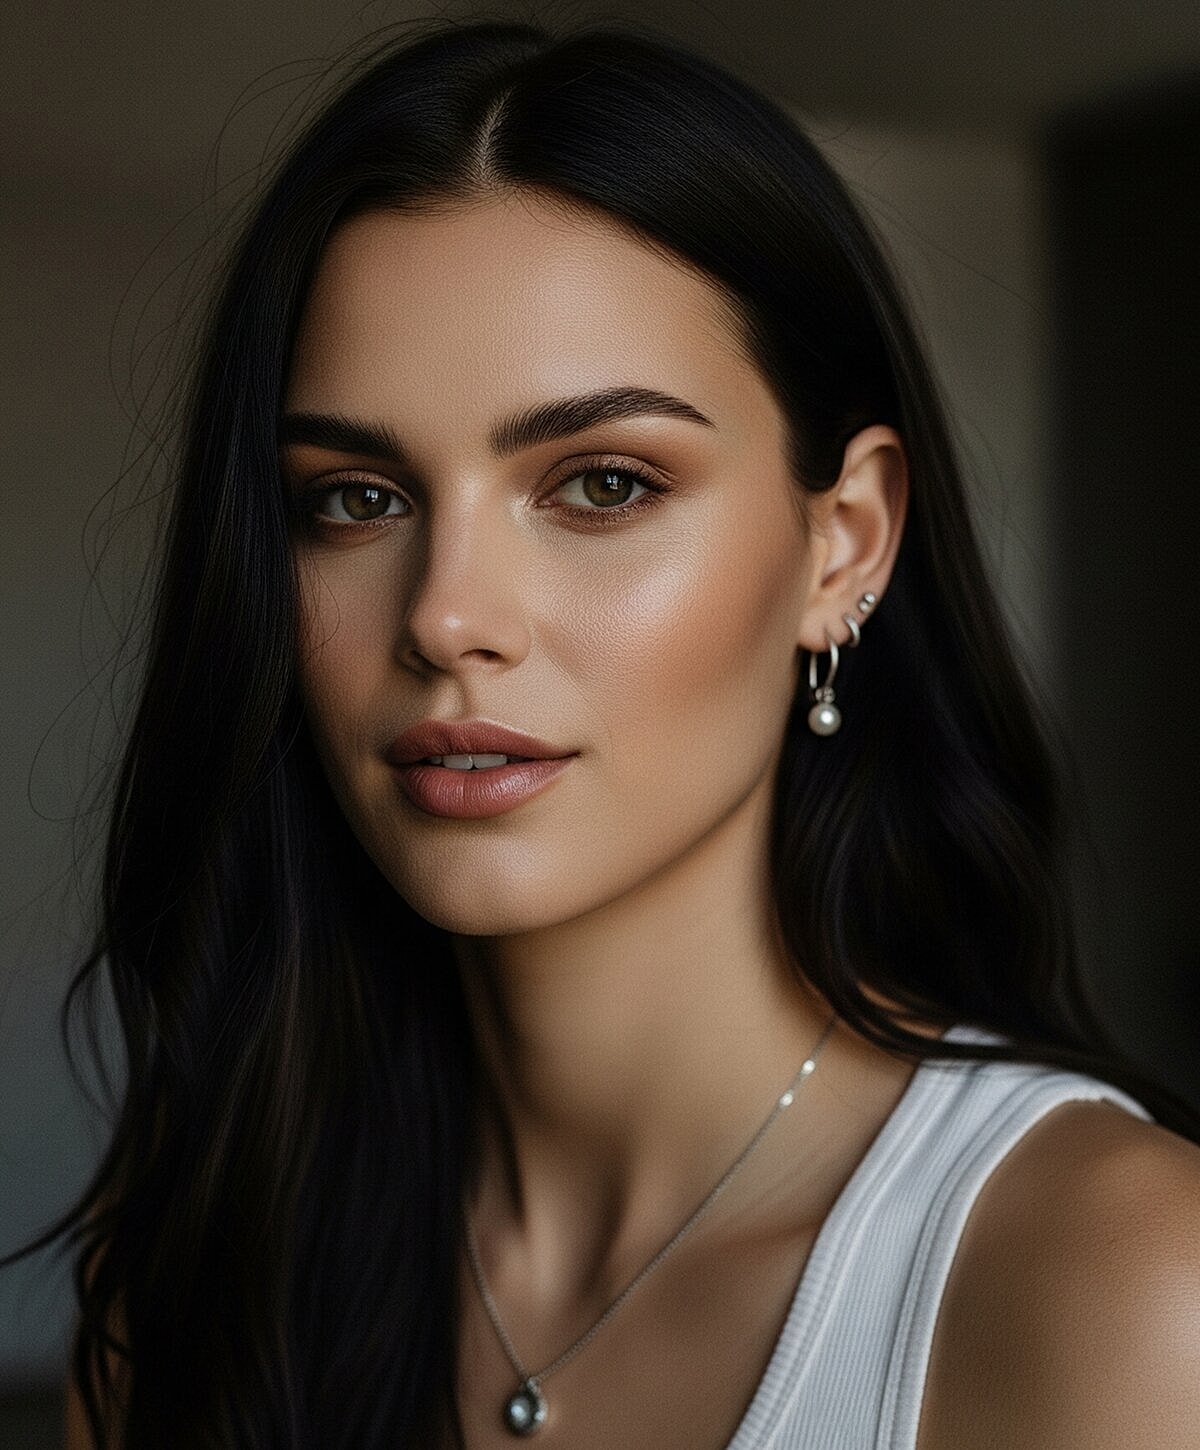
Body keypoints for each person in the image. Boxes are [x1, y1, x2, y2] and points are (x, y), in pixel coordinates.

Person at [5, 15, 1196, 1449]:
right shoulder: (193, 1267)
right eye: (355, 499)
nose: (446, 616)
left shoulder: (1122, 1287)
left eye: (604, 483)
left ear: (845, 543)